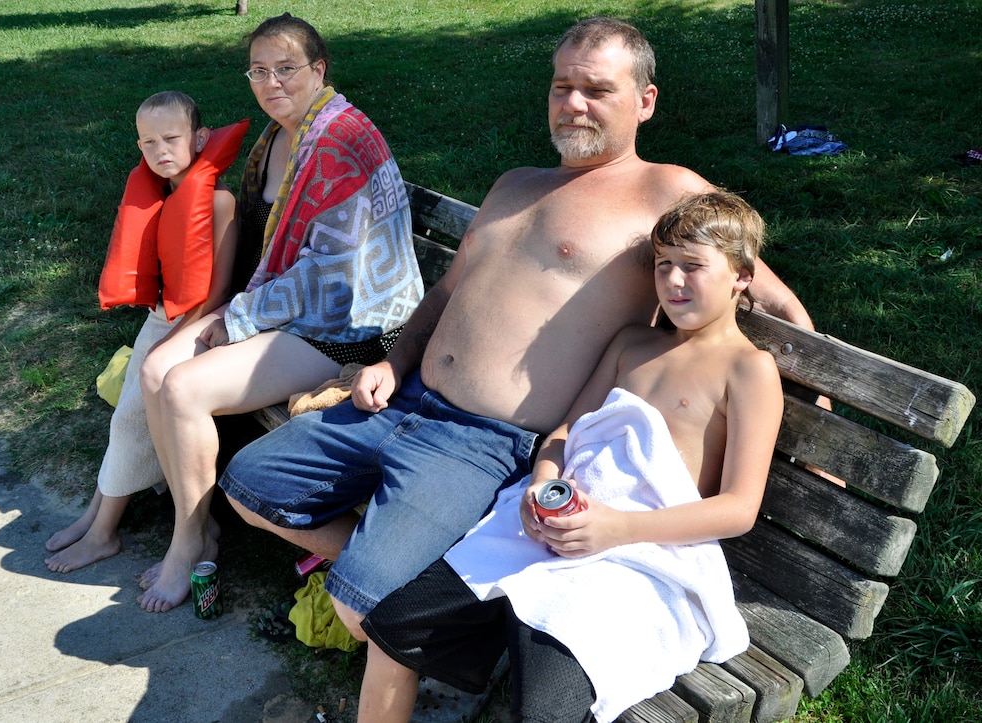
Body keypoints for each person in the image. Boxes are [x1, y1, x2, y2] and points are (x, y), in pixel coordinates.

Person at [218, 16, 811, 638]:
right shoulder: (515, 185)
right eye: (561, 87)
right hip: (405, 402)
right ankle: (400, 570)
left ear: (645, 101)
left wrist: (815, 400)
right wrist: (392, 364)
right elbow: (445, 292)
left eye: (597, 90)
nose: (573, 104)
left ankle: (401, 587)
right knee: (247, 485)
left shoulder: (665, 189)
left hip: (487, 443)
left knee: (363, 606)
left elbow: (771, 298)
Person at [357, 190, 783, 722]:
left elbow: (739, 508)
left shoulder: (748, 369)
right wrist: (541, 484)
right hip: (559, 523)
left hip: (639, 553)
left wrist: (615, 529)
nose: (673, 281)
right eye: (663, 265)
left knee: (544, 708)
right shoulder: (633, 344)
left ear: (742, 276)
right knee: (395, 628)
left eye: (693, 266)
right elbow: (565, 432)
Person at [134, 13, 424, 612]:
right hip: (296, 313)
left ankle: (189, 541)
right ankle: (203, 525)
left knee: (184, 388)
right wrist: (232, 309)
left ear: (319, 70)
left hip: (353, 330)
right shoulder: (281, 136)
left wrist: (238, 318)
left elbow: (333, 279)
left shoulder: (338, 141)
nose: (272, 82)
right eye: (259, 71)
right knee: (155, 369)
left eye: (287, 68)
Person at [45, 90, 245, 574]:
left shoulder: (218, 201)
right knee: (123, 417)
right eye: (147, 142)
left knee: (133, 420)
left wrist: (176, 339)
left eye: (171, 138)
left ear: (199, 137)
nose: (159, 150)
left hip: (197, 327)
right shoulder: (168, 194)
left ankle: (103, 534)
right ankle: (95, 516)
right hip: (161, 320)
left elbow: (215, 293)